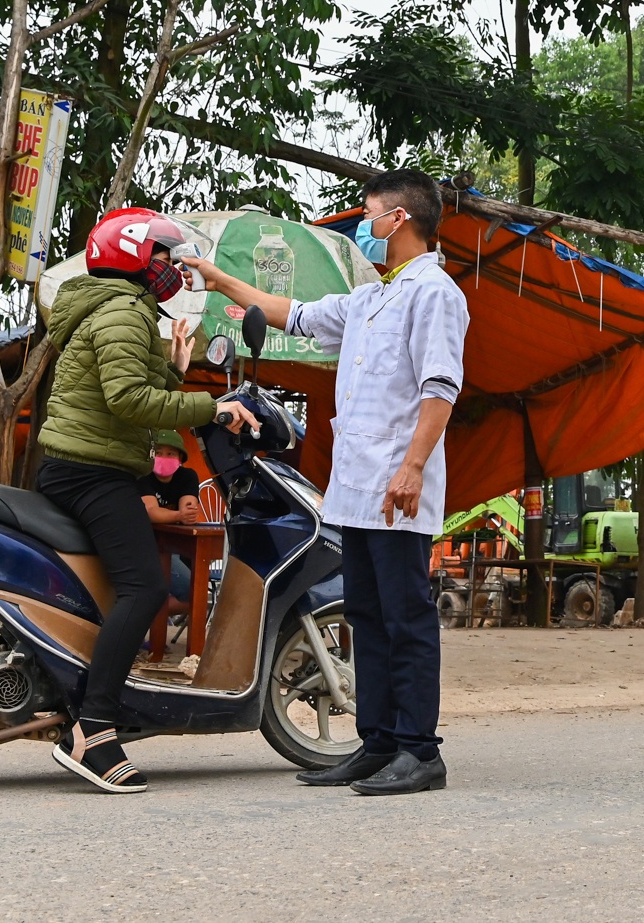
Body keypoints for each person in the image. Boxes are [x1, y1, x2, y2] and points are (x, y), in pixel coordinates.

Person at [186, 169, 467, 796]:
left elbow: (440, 387)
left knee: (404, 615)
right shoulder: (370, 297)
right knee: (364, 613)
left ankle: (421, 750)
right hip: (356, 485)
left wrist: (414, 466)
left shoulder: (435, 293)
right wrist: (219, 279)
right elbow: (293, 314)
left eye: (368, 215)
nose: (363, 225)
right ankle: (378, 743)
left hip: (398, 482)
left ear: (400, 219)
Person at [38, 208, 254, 793]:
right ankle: (94, 729)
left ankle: (89, 706)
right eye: (165, 256)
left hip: (89, 464)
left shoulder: (111, 308)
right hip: (91, 472)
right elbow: (131, 401)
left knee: (125, 586)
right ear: (135, 257)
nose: (174, 267)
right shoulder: (123, 312)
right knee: (147, 587)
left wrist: (174, 368)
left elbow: (126, 399)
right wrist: (216, 407)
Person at [139, 431, 202, 610]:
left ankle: (142, 617)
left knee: (195, 596)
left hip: (175, 545)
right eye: (158, 453)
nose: (163, 457)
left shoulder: (188, 476)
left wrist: (185, 514)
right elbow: (151, 512)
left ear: (180, 457)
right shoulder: (142, 476)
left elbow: (188, 510)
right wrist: (179, 515)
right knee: (191, 593)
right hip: (146, 546)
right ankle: (139, 617)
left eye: (170, 454)